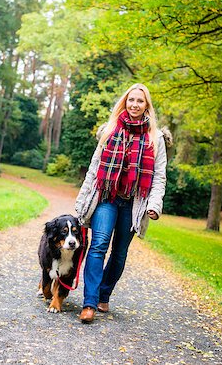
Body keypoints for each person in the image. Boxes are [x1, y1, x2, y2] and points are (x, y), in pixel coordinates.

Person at [75, 83, 168, 324]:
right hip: (107, 196)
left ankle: (104, 294)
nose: (135, 104)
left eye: (140, 101)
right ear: (125, 102)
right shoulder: (110, 130)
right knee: (99, 244)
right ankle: (90, 303)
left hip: (134, 202)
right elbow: (94, 168)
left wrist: (155, 204)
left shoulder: (155, 137)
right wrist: (81, 202)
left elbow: (159, 175)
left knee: (119, 253)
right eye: (131, 100)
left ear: (147, 105)